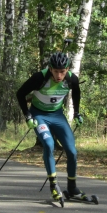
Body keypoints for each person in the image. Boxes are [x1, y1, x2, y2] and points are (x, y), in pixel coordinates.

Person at [16, 52, 87, 202]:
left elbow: (76, 94)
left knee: (72, 151)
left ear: (67, 69)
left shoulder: (72, 79)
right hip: (39, 115)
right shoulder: (39, 78)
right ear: (50, 69)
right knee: (49, 144)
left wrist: (77, 113)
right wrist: (27, 115)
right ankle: (54, 186)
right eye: (56, 71)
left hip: (57, 116)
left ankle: (72, 188)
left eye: (62, 71)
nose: (59, 75)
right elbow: (20, 93)